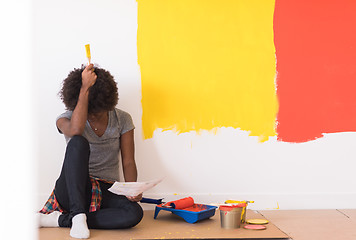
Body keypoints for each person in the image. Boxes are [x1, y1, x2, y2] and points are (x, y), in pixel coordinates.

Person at [37, 64, 143, 239]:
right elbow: (76, 131)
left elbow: (128, 161)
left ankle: (61, 220)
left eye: (98, 113)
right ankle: (77, 215)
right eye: (90, 112)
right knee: (77, 142)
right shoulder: (66, 118)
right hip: (72, 189)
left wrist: (132, 188)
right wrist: (85, 87)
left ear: (108, 104)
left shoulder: (122, 118)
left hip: (106, 189)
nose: (93, 116)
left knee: (134, 214)